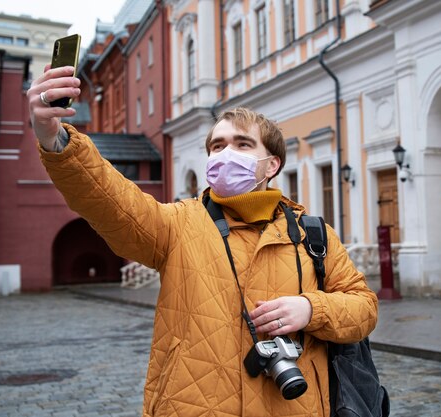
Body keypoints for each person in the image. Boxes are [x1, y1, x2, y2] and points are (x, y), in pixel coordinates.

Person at [28, 65, 379, 417]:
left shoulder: (312, 234)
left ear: (271, 165)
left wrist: (311, 309)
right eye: (217, 145)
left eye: (242, 144)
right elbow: (108, 198)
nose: (226, 154)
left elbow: (364, 308)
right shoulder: (177, 223)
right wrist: (53, 136)